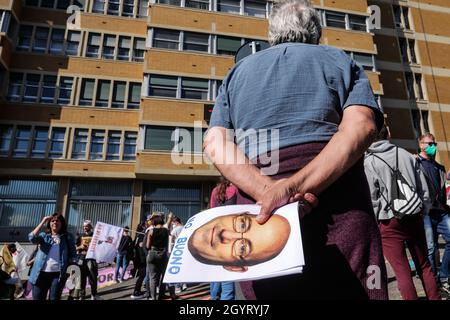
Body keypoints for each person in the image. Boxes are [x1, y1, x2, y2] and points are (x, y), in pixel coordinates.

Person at [204, 0, 387, 299]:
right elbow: (362, 127)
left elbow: (215, 143)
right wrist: (294, 188)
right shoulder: (340, 60)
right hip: (337, 195)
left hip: (259, 209)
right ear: (317, 33)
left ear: (271, 34)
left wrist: (268, 192)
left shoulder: (236, 74)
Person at [364, 126, 440, 300]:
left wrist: (376, 220)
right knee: (424, 265)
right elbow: (424, 188)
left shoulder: (368, 161)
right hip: (414, 215)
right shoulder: (406, 154)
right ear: (388, 134)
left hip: (389, 222)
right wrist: (424, 210)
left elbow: (373, 198)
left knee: (402, 271)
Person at [416, 132, 450, 295]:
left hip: (442, 211)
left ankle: (444, 276)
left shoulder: (439, 167)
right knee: (431, 247)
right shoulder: (414, 163)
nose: (433, 147)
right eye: (430, 144)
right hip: (426, 212)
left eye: (434, 144)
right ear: (421, 144)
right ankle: (434, 282)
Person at [28, 213, 76, 300]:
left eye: (57, 220)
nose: (55, 222)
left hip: (58, 275)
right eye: (52, 221)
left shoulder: (68, 237)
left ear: (62, 224)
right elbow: (31, 238)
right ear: (49, 224)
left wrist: (71, 273)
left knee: (54, 298)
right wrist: (44, 220)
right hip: (40, 274)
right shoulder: (44, 236)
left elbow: (73, 255)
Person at [145, 215, 177, 300]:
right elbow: (168, 223)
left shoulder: (151, 231)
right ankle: (161, 295)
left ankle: (153, 297)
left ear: (154, 222)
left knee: (153, 278)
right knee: (164, 276)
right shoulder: (166, 231)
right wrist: (170, 217)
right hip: (163, 255)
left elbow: (147, 246)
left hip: (152, 254)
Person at [75, 220, 100, 300]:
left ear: (90, 227)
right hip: (81, 259)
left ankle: (94, 295)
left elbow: (99, 247)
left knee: (93, 277)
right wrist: (80, 247)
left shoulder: (95, 235)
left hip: (91, 259)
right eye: (84, 226)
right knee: (82, 278)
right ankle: (82, 296)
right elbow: (75, 248)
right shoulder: (79, 235)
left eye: (87, 226)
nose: (85, 228)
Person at [130, 222, 147, 299]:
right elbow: (141, 249)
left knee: (141, 275)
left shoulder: (137, 236)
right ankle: (136, 292)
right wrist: (143, 259)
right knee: (141, 275)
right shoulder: (141, 236)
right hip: (140, 259)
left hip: (137, 259)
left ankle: (137, 291)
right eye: (145, 226)